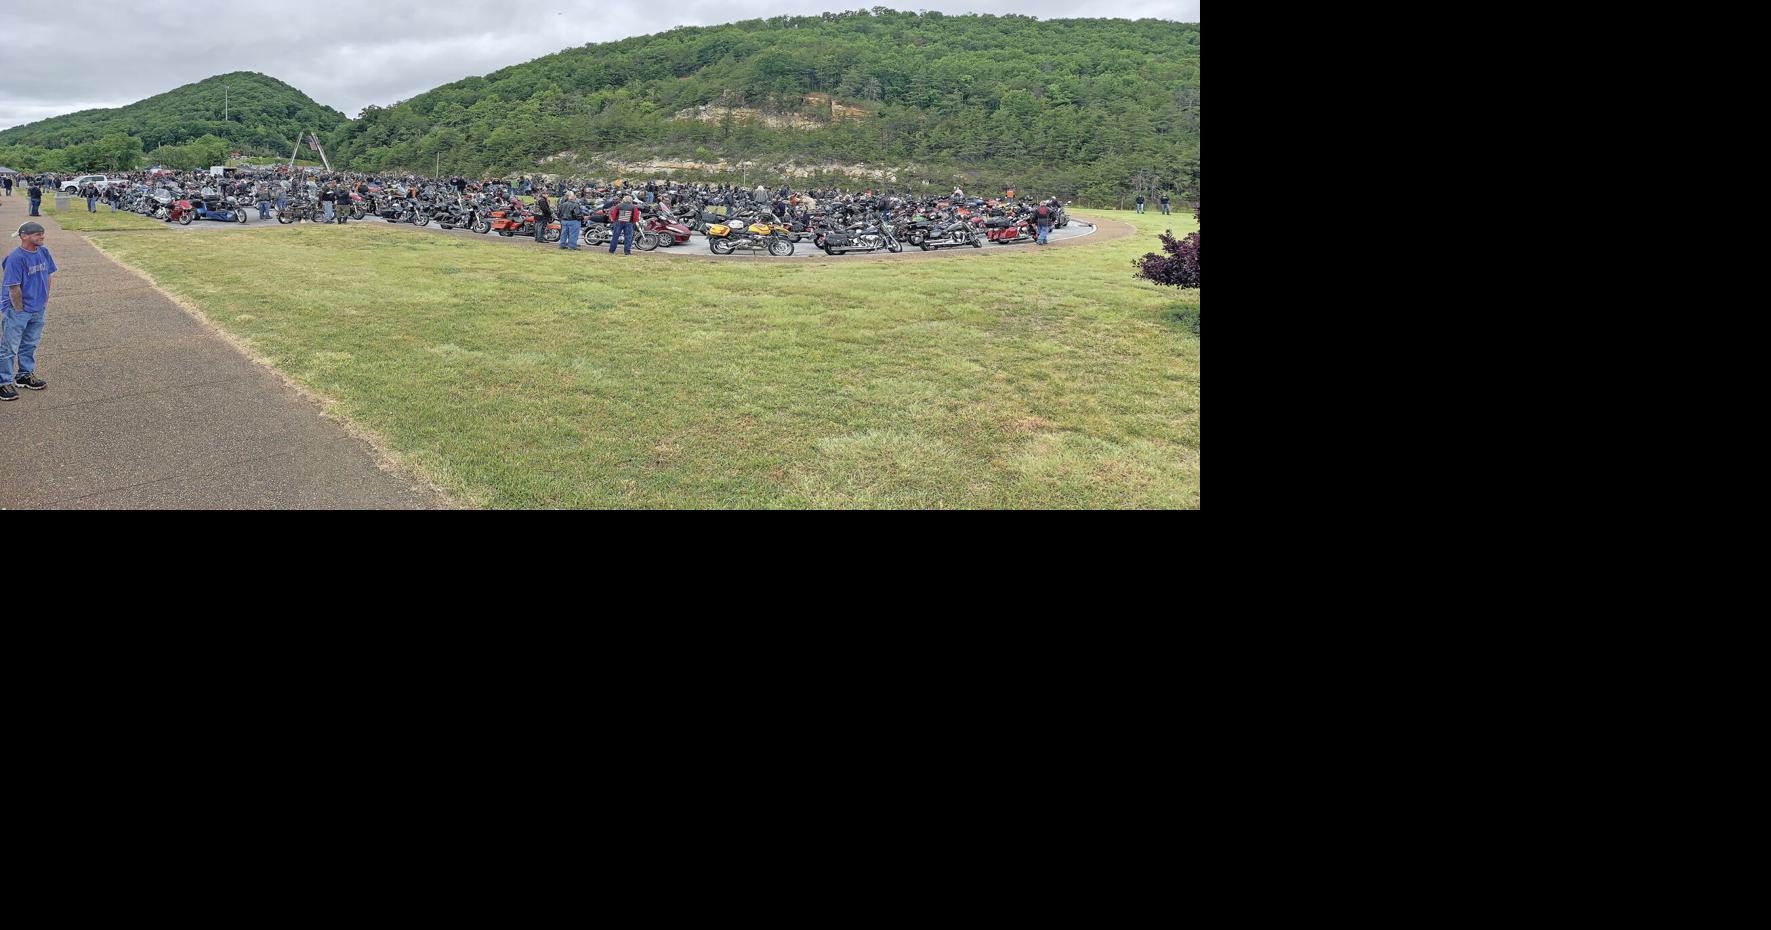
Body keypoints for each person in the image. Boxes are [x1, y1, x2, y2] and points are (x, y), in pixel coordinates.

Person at [1, 222, 56, 402]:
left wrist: (44, 300)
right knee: (9, 347)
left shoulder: (43, 252)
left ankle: (24, 375)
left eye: (42, 233)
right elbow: (13, 288)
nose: (42, 236)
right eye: (37, 234)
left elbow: (48, 274)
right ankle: (3, 382)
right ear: (24, 235)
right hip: (17, 309)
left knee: (30, 344)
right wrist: (18, 310)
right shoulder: (15, 258)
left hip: (37, 308)